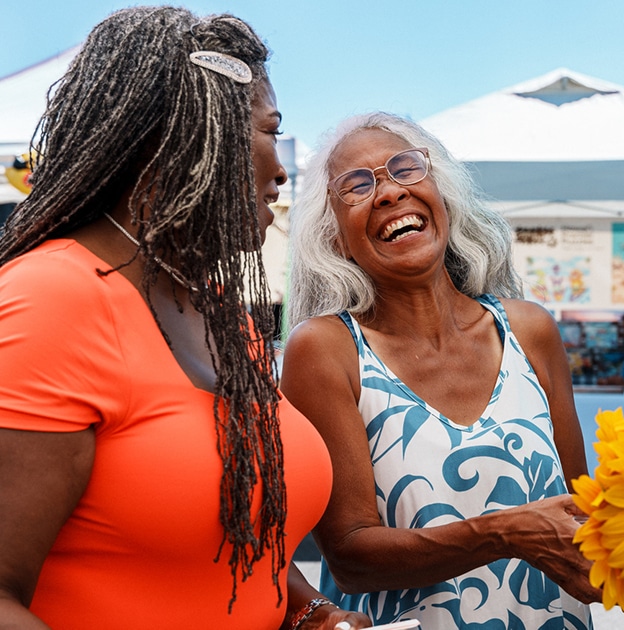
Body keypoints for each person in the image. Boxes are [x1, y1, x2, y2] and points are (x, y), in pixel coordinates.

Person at [0, 8, 370, 629]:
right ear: (194, 136)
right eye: (267, 130)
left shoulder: (226, 318)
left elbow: (236, 546)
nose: (281, 170)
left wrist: (309, 614)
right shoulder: (50, 300)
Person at [281, 111, 599, 628]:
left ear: (442, 196)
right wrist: (507, 532)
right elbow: (351, 556)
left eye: (405, 168)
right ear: (334, 236)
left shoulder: (530, 330)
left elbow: (583, 513)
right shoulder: (325, 350)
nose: (388, 193)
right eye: (356, 186)